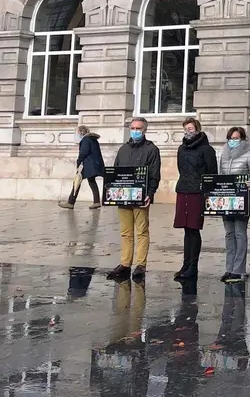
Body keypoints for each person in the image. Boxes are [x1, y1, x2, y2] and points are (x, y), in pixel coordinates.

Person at [106, 118, 161, 283]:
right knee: (125, 232)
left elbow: (154, 174)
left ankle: (141, 265)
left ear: (144, 130)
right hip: (123, 197)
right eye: (133, 128)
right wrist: (111, 191)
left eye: (138, 128)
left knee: (142, 231)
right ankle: (125, 263)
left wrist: (150, 194)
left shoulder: (151, 150)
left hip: (140, 197)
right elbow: (115, 172)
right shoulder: (123, 149)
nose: (135, 131)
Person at [173, 118, 218, 282]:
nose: (188, 131)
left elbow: (212, 172)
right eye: (185, 128)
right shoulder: (181, 148)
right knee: (186, 230)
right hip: (183, 189)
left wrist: (207, 193)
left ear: (197, 129)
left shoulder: (207, 149)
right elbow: (181, 168)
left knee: (194, 229)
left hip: (197, 192)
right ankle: (185, 264)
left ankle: (193, 266)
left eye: (190, 128)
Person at [219, 126, 250, 283]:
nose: (232, 141)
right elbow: (220, 176)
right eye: (230, 138)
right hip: (226, 199)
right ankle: (229, 268)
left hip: (243, 198)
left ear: (242, 139)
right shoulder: (223, 155)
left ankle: (238, 269)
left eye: (236, 138)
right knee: (229, 233)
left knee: (239, 232)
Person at [60, 125, 105, 209]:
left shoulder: (85, 140)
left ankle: (70, 202)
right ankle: (97, 201)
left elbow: (83, 152)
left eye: (77, 133)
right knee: (91, 181)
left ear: (81, 132)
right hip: (95, 164)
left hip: (88, 165)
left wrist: (78, 162)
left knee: (77, 181)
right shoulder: (93, 139)